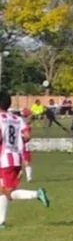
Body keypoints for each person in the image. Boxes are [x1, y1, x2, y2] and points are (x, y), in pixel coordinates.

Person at [0, 90, 50, 229]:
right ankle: (1, 222)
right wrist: (16, 143)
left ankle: (37, 194)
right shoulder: (17, 119)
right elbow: (27, 136)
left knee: (8, 192)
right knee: (2, 189)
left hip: (5, 159)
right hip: (16, 157)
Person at [20, 108, 33, 182]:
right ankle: (28, 177)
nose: (31, 116)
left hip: (23, 143)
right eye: (30, 115)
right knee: (25, 161)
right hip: (22, 143)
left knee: (26, 160)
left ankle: (29, 177)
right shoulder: (25, 124)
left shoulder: (26, 124)